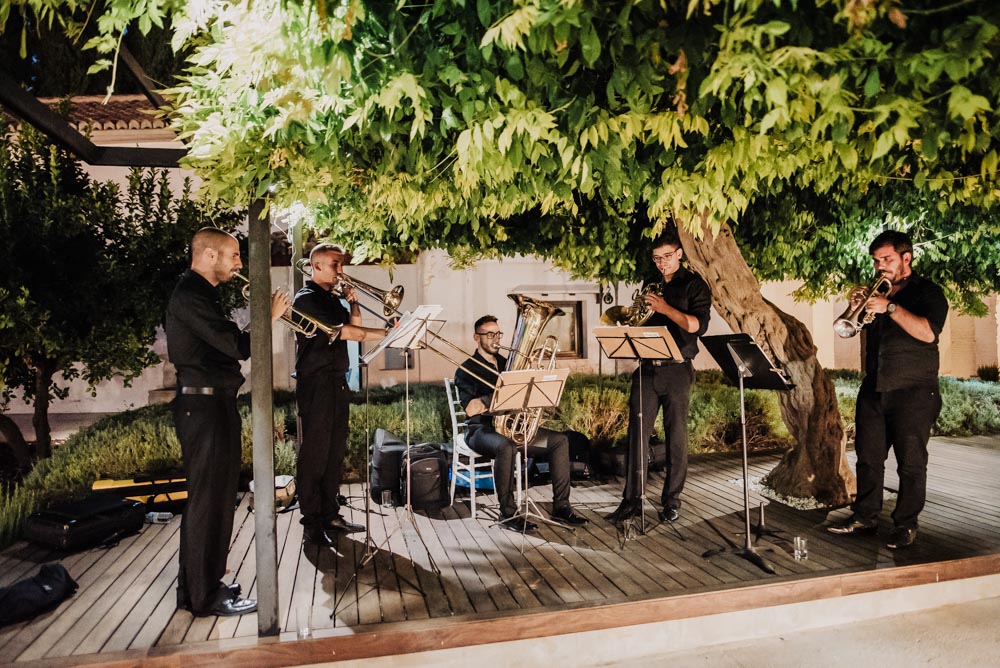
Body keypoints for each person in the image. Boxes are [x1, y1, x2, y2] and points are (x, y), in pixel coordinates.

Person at [166, 227, 290, 617]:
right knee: (210, 503)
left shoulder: (201, 293)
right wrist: (268, 316)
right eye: (233, 255)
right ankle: (204, 597)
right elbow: (238, 346)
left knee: (214, 501)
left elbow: (228, 346)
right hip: (205, 408)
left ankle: (197, 589)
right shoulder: (191, 295)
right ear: (209, 256)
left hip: (211, 405)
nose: (239, 263)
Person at [827, 230, 948, 549]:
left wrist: (890, 307)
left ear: (906, 258)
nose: (880, 266)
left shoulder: (928, 293)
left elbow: (928, 333)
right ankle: (864, 516)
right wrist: (854, 309)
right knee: (867, 457)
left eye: (887, 259)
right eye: (876, 260)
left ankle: (905, 524)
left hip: (914, 390)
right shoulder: (875, 294)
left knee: (911, 462)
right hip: (875, 387)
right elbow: (848, 330)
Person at [606, 229, 711, 525]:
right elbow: (641, 322)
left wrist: (665, 308)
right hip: (647, 369)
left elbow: (697, 326)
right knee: (637, 435)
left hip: (677, 368)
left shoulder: (694, 285)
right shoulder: (650, 285)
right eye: (656, 258)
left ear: (679, 254)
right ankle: (632, 500)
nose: (661, 263)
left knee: (676, 437)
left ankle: (672, 501)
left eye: (666, 257)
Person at [293, 243, 388, 548]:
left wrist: (354, 303)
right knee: (315, 456)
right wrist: (387, 334)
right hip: (316, 384)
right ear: (316, 266)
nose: (341, 270)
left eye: (341, 264)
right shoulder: (306, 299)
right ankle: (311, 523)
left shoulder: (332, 299)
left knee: (334, 453)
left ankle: (330, 514)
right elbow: (348, 333)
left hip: (336, 381)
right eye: (336, 264)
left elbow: (352, 328)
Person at [454, 315, 588, 532]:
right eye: (489, 334)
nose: (496, 338)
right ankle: (508, 513)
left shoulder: (508, 364)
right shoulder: (466, 369)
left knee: (560, 441)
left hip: (511, 427)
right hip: (480, 430)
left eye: (498, 334)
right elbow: (470, 408)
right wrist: (502, 395)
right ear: (476, 337)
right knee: (506, 446)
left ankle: (561, 507)